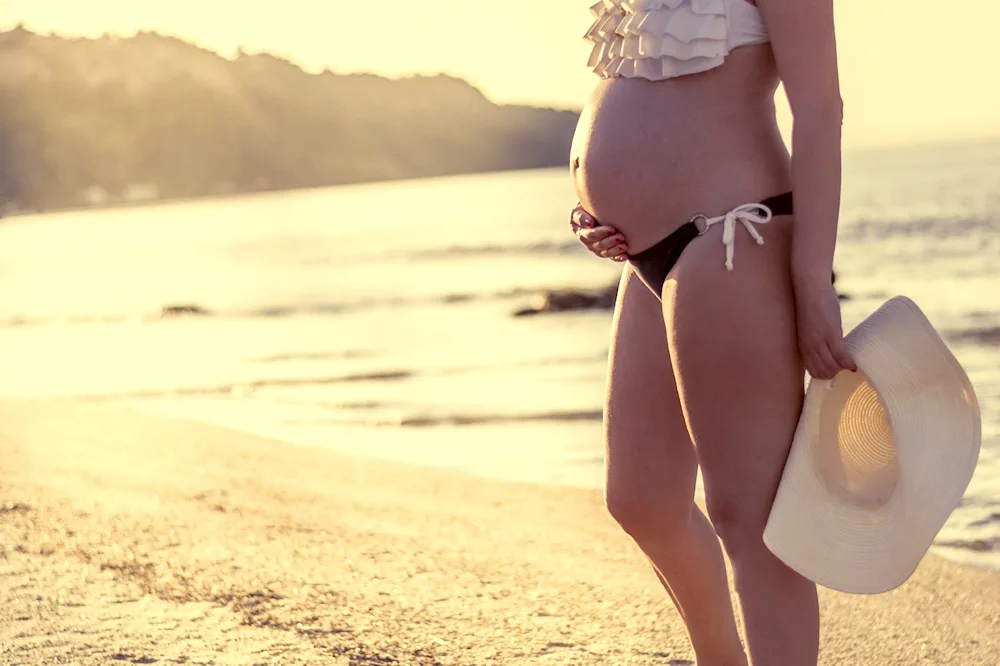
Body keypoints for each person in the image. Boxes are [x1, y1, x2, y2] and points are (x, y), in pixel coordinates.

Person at [566, 1, 856, 664]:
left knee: (749, 518)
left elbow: (820, 109)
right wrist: (593, 196)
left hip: (730, 234)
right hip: (649, 252)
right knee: (641, 498)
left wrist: (813, 278)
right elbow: (643, 86)